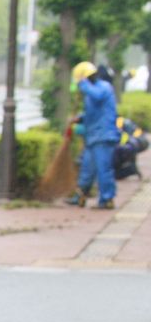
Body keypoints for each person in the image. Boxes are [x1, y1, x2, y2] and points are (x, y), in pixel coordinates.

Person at [65, 61, 120, 210]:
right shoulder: (90, 94)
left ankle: (107, 199)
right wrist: (79, 118)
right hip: (92, 137)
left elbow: (98, 96)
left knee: (104, 170)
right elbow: (92, 112)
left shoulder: (103, 87)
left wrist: (82, 84)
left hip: (103, 136)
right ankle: (80, 196)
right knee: (86, 169)